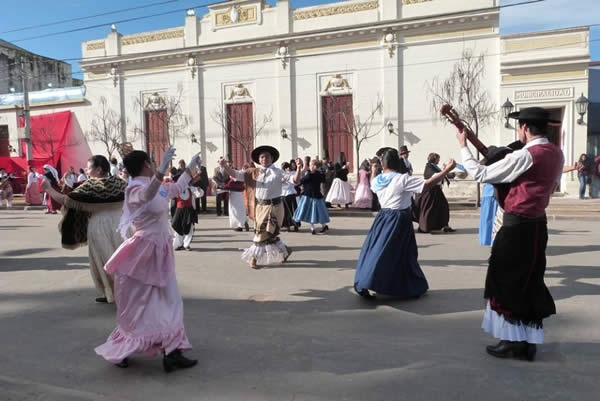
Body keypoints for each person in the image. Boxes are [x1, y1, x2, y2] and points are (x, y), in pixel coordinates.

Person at [457, 107, 564, 362]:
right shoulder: (556, 153)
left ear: (525, 128)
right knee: (529, 282)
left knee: (505, 282)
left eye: (519, 127)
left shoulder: (527, 155)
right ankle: (527, 342)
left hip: (517, 227)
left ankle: (512, 343)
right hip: (538, 226)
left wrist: (463, 145)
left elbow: (480, 174)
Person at [95, 147, 200, 372]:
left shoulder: (158, 186)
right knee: (137, 305)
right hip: (142, 252)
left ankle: (172, 351)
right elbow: (146, 195)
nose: (154, 164)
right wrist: (161, 171)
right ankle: (122, 349)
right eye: (151, 162)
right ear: (145, 164)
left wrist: (190, 168)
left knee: (170, 301)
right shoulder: (134, 188)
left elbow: (177, 188)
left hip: (160, 250)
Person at [353, 150, 455, 299]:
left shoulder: (378, 180)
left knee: (376, 250)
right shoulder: (401, 179)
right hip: (399, 219)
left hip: (382, 218)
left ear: (383, 164)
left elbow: (374, 179)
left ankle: (368, 281)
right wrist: (447, 170)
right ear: (397, 163)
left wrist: (374, 171)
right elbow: (427, 184)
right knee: (402, 254)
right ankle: (398, 285)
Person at [42, 155, 127, 304]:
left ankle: (111, 292)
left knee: (104, 260)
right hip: (121, 223)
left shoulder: (91, 186)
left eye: (89, 168)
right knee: (123, 258)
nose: (87, 171)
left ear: (99, 170)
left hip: (99, 225)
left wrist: (48, 189)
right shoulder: (119, 182)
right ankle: (127, 290)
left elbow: (66, 200)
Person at [221, 146, 292, 269]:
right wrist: (225, 166)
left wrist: (300, 170)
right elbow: (236, 175)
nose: (265, 159)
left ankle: (253, 258)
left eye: (267, 156)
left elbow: (293, 180)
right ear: (259, 159)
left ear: (272, 158)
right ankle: (285, 250)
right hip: (260, 207)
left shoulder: (278, 172)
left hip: (275, 207)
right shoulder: (252, 172)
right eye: (262, 157)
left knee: (261, 234)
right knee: (269, 234)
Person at [414, 153, 455, 233]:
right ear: (434, 159)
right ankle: (426, 227)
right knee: (429, 209)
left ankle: (443, 225)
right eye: (438, 159)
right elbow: (433, 176)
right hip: (430, 191)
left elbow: (442, 174)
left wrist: (447, 171)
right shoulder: (429, 166)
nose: (439, 160)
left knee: (443, 207)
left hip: (436, 191)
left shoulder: (434, 166)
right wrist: (446, 169)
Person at [293, 158, 330, 234]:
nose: (310, 167)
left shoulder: (309, 175)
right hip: (317, 196)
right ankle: (322, 226)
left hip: (308, 196)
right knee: (318, 212)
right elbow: (324, 180)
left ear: (314, 166)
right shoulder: (320, 174)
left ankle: (313, 228)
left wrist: (296, 186)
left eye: (311, 165)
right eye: (310, 165)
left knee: (310, 212)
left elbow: (300, 181)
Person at [172, 173, 199, 250]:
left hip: (189, 210)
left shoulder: (191, 188)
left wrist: (199, 190)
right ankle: (178, 244)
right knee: (177, 227)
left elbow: (200, 193)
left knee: (189, 228)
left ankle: (186, 245)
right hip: (179, 210)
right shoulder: (176, 189)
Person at [225, 160, 250, 232]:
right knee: (241, 209)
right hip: (239, 194)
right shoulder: (244, 174)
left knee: (235, 210)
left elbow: (231, 183)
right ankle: (244, 221)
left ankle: (239, 225)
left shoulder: (241, 174)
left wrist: (223, 186)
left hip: (235, 193)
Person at [281, 162, 299, 232]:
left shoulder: (291, 173)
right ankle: (290, 225)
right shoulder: (288, 173)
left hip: (289, 193)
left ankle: (293, 225)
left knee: (290, 211)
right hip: (285, 194)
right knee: (290, 211)